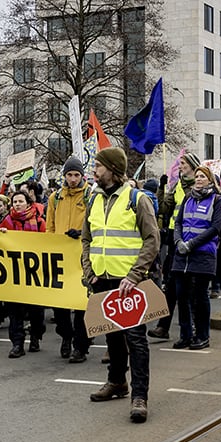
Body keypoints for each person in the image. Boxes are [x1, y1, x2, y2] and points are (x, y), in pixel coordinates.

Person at [83, 147, 160, 424]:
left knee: (135, 339)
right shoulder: (94, 200)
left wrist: (135, 275)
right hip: (101, 279)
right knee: (112, 336)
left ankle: (139, 396)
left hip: (130, 282)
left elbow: (152, 239)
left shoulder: (137, 199)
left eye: (98, 166)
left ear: (113, 169)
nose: (94, 170)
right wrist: (88, 270)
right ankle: (117, 381)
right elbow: (87, 238)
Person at [171, 165, 221, 350]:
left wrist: (192, 244)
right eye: (197, 176)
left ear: (210, 180)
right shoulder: (188, 198)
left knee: (200, 296)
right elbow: (178, 222)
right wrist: (178, 241)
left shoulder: (216, 200)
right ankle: (185, 335)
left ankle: (202, 335)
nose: (199, 179)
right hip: (182, 255)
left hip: (202, 254)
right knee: (182, 296)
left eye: (203, 176)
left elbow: (215, 228)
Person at [46, 155, 92, 362]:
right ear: (64, 175)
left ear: (82, 176)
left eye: (76, 175)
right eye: (69, 175)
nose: (73, 179)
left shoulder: (90, 196)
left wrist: (81, 234)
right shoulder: (55, 198)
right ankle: (66, 335)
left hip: (82, 257)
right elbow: (50, 227)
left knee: (82, 304)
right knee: (60, 305)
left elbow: (95, 225)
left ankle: (80, 347)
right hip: (61, 257)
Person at [148, 152, 198, 340]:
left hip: (191, 240)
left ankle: (194, 326)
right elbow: (163, 208)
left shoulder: (199, 186)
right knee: (170, 286)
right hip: (174, 240)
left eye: (183, 163)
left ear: (192, 166)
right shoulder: (177, 185)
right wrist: (162, 188)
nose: (180, 166)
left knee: (190, 288)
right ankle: (163, 327)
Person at [0, 189, 46, 358]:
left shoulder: (39, 222)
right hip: (14, 273)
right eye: (15, 202)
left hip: (35, 273)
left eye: (20, 201)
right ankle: (17, 343)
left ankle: (35, 336)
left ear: (28, 203)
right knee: (14, 311)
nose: (17, 204)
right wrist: (1, 235)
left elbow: (47, 243)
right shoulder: (7, 221)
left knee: (36, 310)